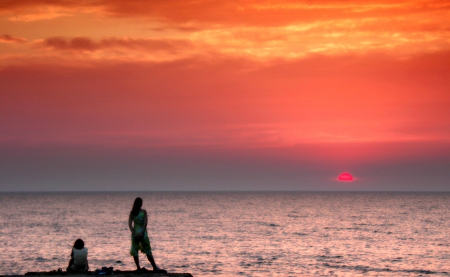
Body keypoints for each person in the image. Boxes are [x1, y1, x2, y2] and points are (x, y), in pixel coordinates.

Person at [128, 197, 164, 272]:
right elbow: (145, 223)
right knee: (147, 250)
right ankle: (154, 267)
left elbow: (130, 225)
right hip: (143, 234)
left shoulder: (132, 213)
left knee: (135, 250)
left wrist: (134, 233)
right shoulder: (143, 212)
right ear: (140, 204)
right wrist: (142, 232)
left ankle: (138, 267)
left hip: (135, 233)